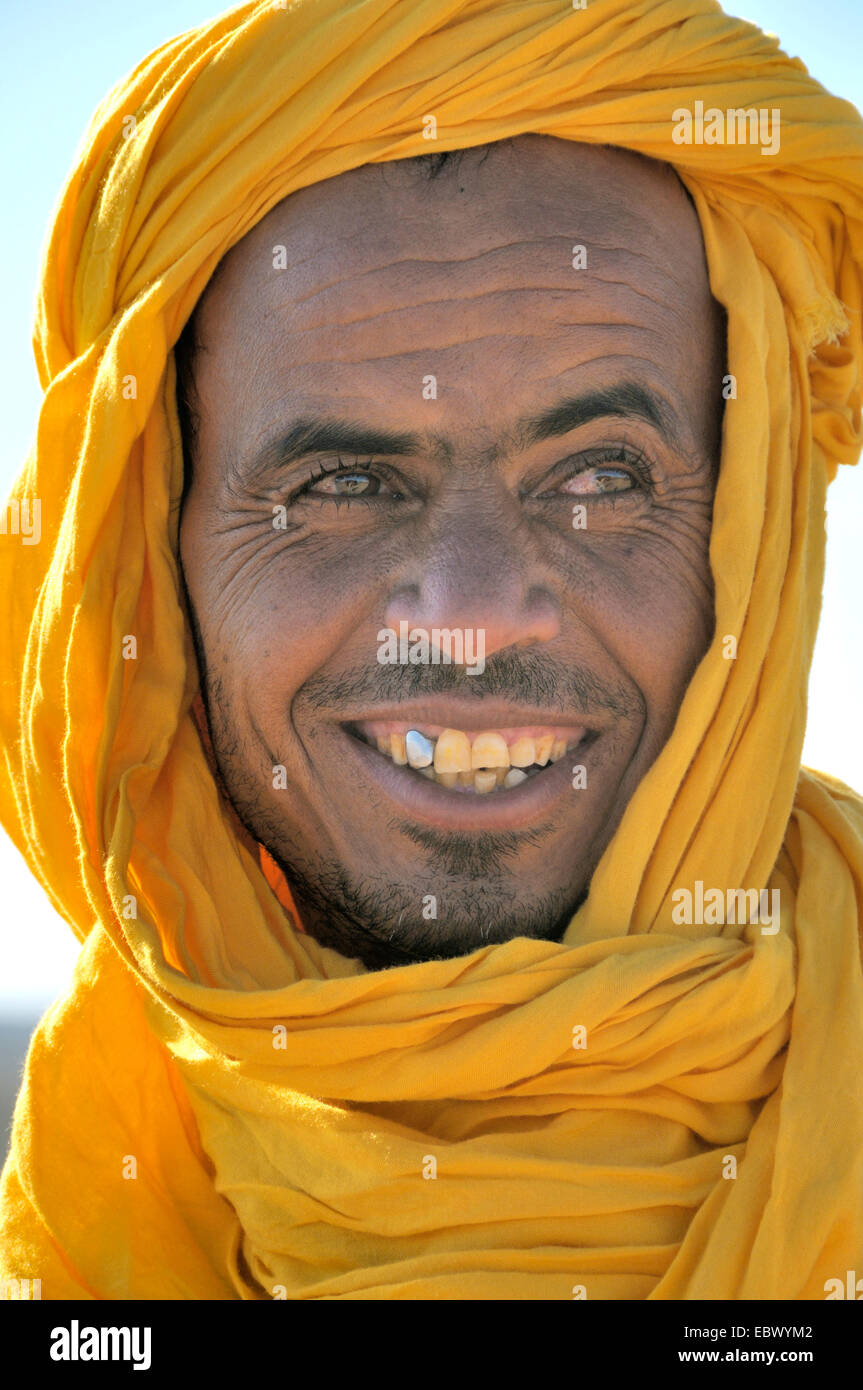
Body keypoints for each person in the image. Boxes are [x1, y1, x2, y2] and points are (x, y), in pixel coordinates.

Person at [1, 0, 862, 1301]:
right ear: (148, 547)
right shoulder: (96, 1187)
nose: (469, 608)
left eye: (600, 476)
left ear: (761, 526)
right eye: (342, 481)